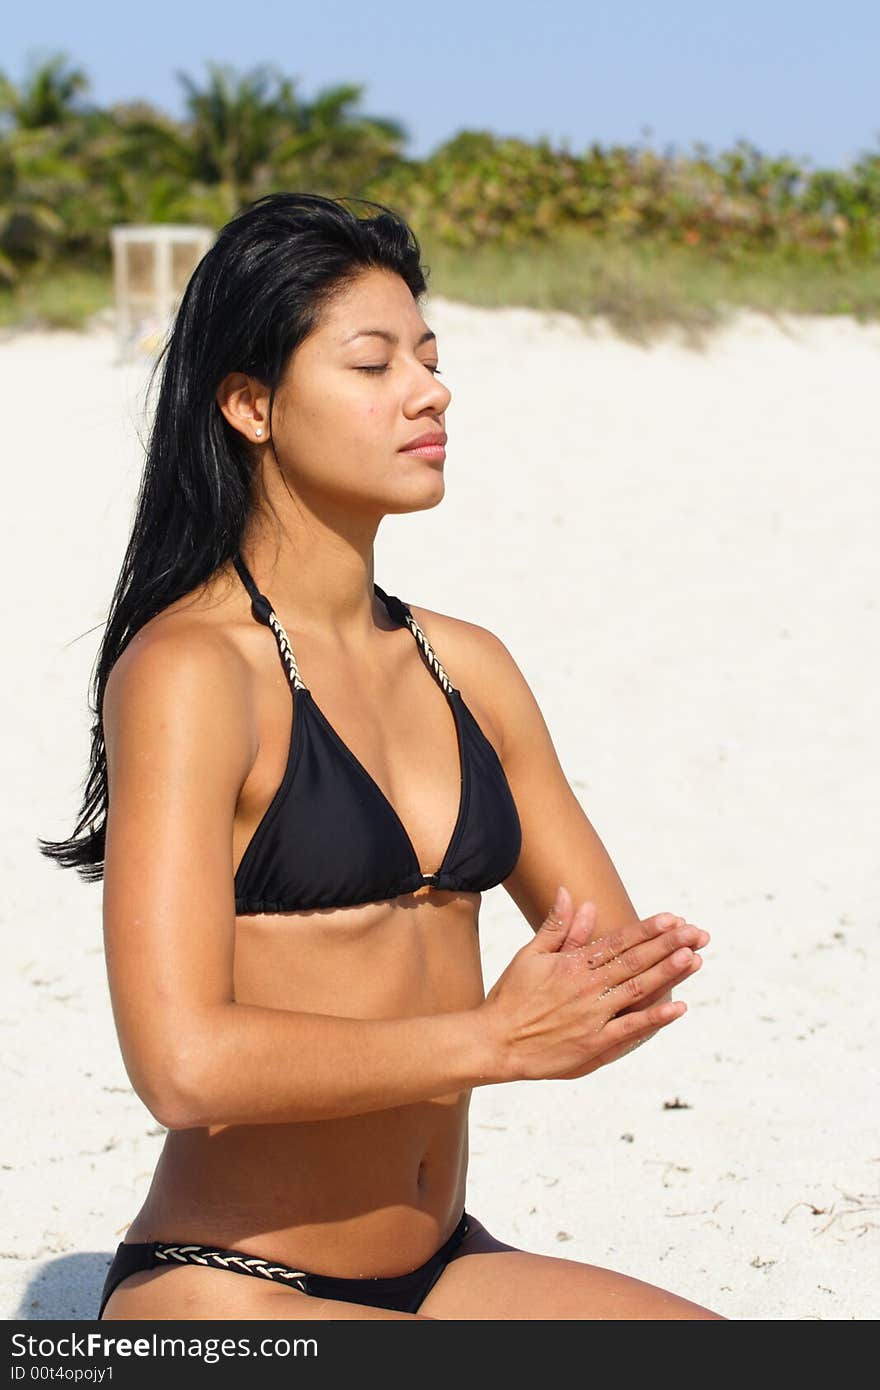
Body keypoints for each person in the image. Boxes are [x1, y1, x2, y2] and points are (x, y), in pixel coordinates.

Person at [40, 192, 723, 1321]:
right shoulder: (189, 674)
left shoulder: (469, 666)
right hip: (230, 1292)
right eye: (373, 364)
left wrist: (606, 991)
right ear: (250, 405)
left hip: (445, 1260)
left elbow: (593, 963)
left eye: (430, 356)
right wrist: (493, 1038)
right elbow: (180, 1062)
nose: (429, 389)